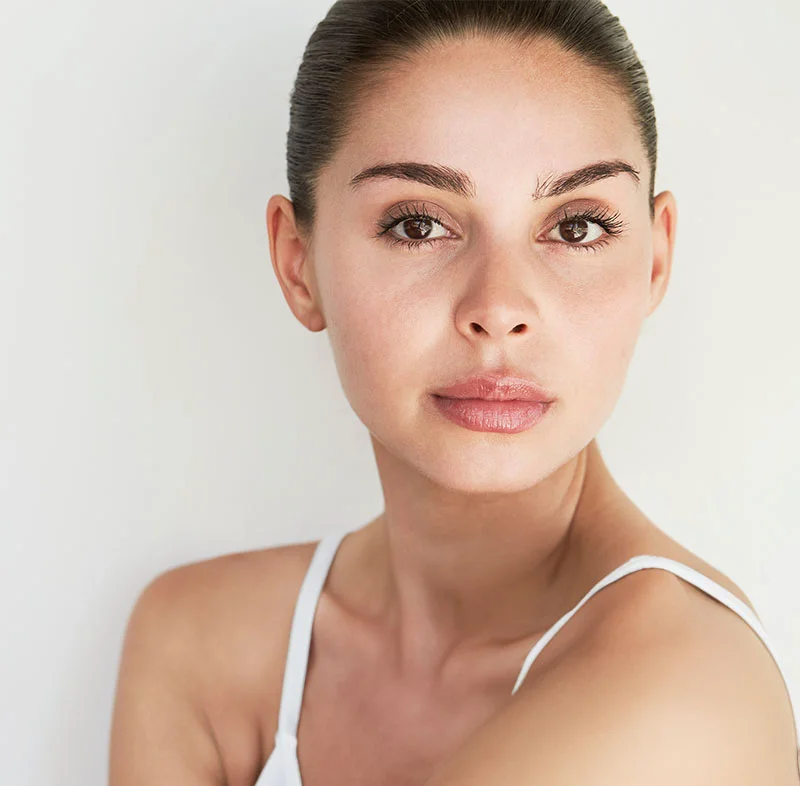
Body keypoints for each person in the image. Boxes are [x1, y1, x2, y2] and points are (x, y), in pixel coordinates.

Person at [108, 1, 800, 784]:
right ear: (298, 263)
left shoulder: (686, 693)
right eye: (417, 225)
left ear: (654, 260)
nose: (499, 308)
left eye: (574, 227)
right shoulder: (195, 637)